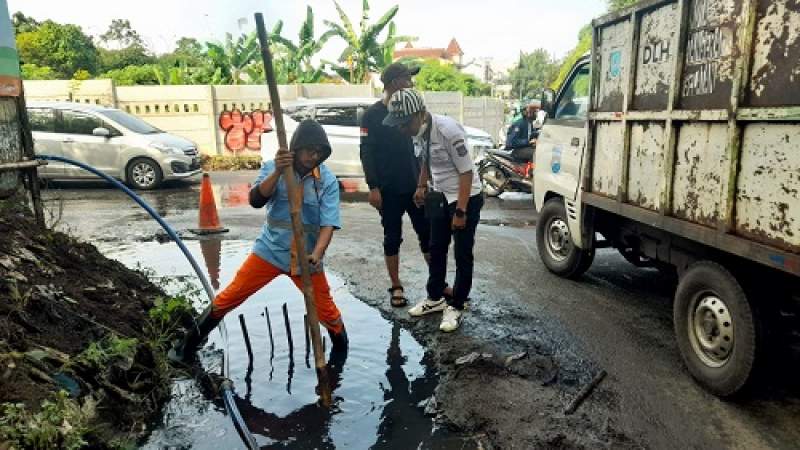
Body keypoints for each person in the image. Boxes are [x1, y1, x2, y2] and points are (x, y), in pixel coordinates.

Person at [170, 119, 347, 362]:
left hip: (306, 258)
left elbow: (329, 223)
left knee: (329, 315)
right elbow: (256, 200)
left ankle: (339, 360)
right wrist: (278, 171)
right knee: (228, 298)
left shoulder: (327, 180)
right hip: (270, 251)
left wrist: (317, 254)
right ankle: (184, 350)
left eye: (319, 152)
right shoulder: (273, 168)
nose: (313, 157)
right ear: (296, 149)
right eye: (309, 150)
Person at [383, 88, 484, 333]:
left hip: (465, 197)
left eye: (405, 123)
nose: (402, 129)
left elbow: (466, 172)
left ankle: (457, 305)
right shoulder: (418, 132)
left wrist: (460, 212)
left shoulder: (448, 131)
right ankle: (435, 297)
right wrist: (421, 186)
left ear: (420, 114)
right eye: (399, 125)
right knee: (436, 247)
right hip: (440, 196)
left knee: (462, 253)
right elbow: (425, 161)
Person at [360, 62, 432, 307]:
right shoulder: (372, 115)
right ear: (395, 83)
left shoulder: (413, 108)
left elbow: (424, 148)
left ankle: (437, 283)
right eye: (407, 78)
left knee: (427, 233)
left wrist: (424, 182)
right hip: (388, 189)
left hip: (415, 185)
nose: (411, 83)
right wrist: (373, 187)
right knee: (392, 237)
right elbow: (366, 152)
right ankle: (396, 286)